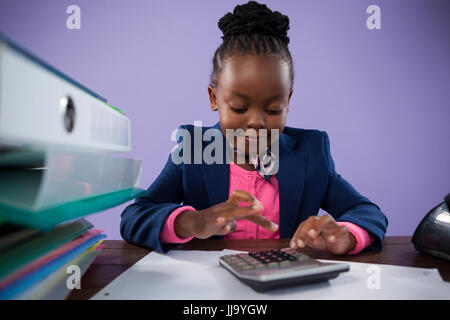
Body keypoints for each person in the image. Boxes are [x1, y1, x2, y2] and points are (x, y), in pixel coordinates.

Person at [120, 1, 388, 254]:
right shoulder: (193, 149)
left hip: (282, 283)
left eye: (273, 110)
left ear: (288, 101)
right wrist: (192, 222)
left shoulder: (311, 152)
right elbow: (135, 216)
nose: (256, 122)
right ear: (214, 98)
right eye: (238, 107)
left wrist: (345, 235)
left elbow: (367, 211)